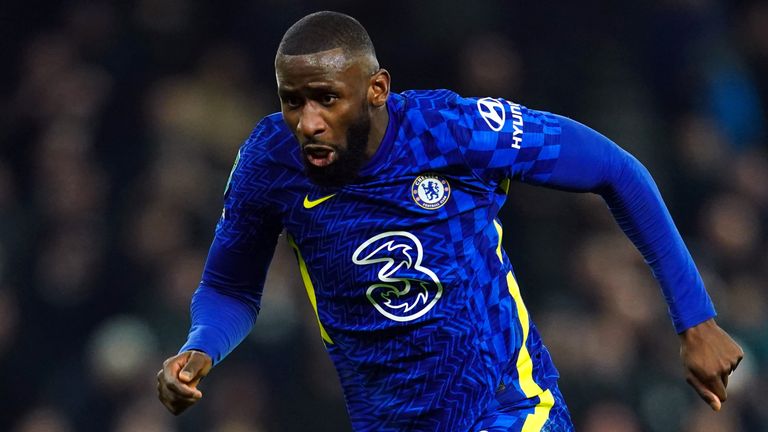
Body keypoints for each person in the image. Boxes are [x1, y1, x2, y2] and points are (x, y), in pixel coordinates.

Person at [156, 11, 744, 432]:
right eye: (292, 100)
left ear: (377, 89)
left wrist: (694, 320)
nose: (307, 121)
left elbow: (616, 169)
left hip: (509, 411)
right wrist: (201, 347)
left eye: (325, 99)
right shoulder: (268, 161)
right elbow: (231, 287)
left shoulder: (454, 130)